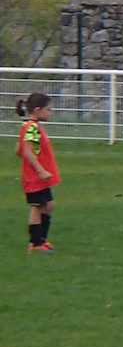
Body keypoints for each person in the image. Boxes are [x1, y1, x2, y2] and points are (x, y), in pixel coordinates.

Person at [15, 92, 59, 253]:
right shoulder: (32, 127)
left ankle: (41, 239)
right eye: (48, 110)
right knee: (37, 207)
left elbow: (19, 150)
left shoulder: (31, 126)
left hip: (39, 177)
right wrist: (40, 170)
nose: (50, 113)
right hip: (35, 177)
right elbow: (27, 151)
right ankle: (36, 243)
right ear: (37, 110)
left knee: (49, 205)